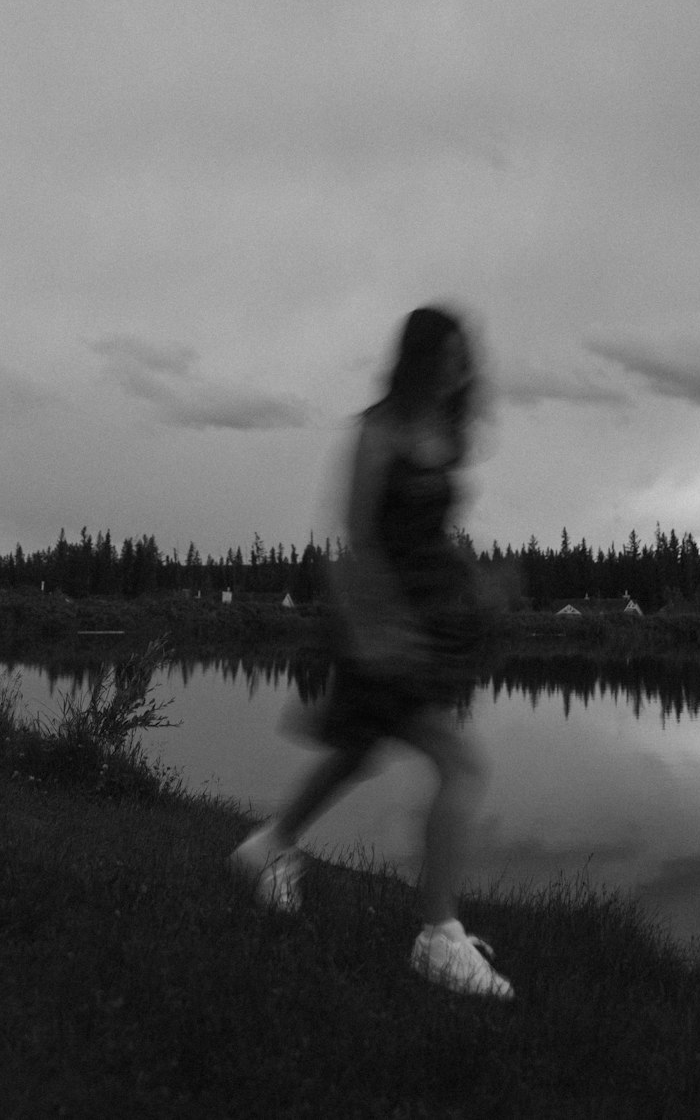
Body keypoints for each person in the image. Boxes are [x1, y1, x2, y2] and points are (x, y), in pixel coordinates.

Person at [230, 305, 513, 1000]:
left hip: (430, 621)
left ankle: (269, 846)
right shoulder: (378, 431)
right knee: (461, 766)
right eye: (447, 356)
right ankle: (437, 938)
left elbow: (433, 532)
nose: (459, 368)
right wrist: (380, 631)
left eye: (463, 356)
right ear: (419, 359)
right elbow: (358, 537)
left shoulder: (443, 432)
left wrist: (476, 582)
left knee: (358, 750)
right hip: (384, 627)